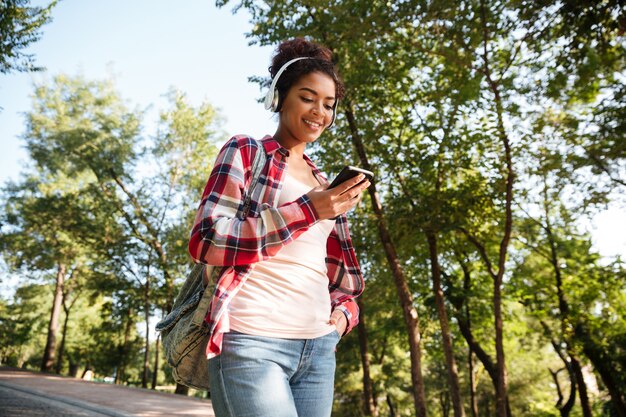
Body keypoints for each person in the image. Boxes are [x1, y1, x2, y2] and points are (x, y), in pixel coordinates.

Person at [188, 37, 369, 417]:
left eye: (329, 104)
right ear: (279, 97)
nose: (319, 111)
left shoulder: (324, 183)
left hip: (317, 348)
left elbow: (337, 277)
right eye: (307, 97)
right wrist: (306, 210)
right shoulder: (245, 152)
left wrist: (341, 320)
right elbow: (207, 238)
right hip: (252, 340)